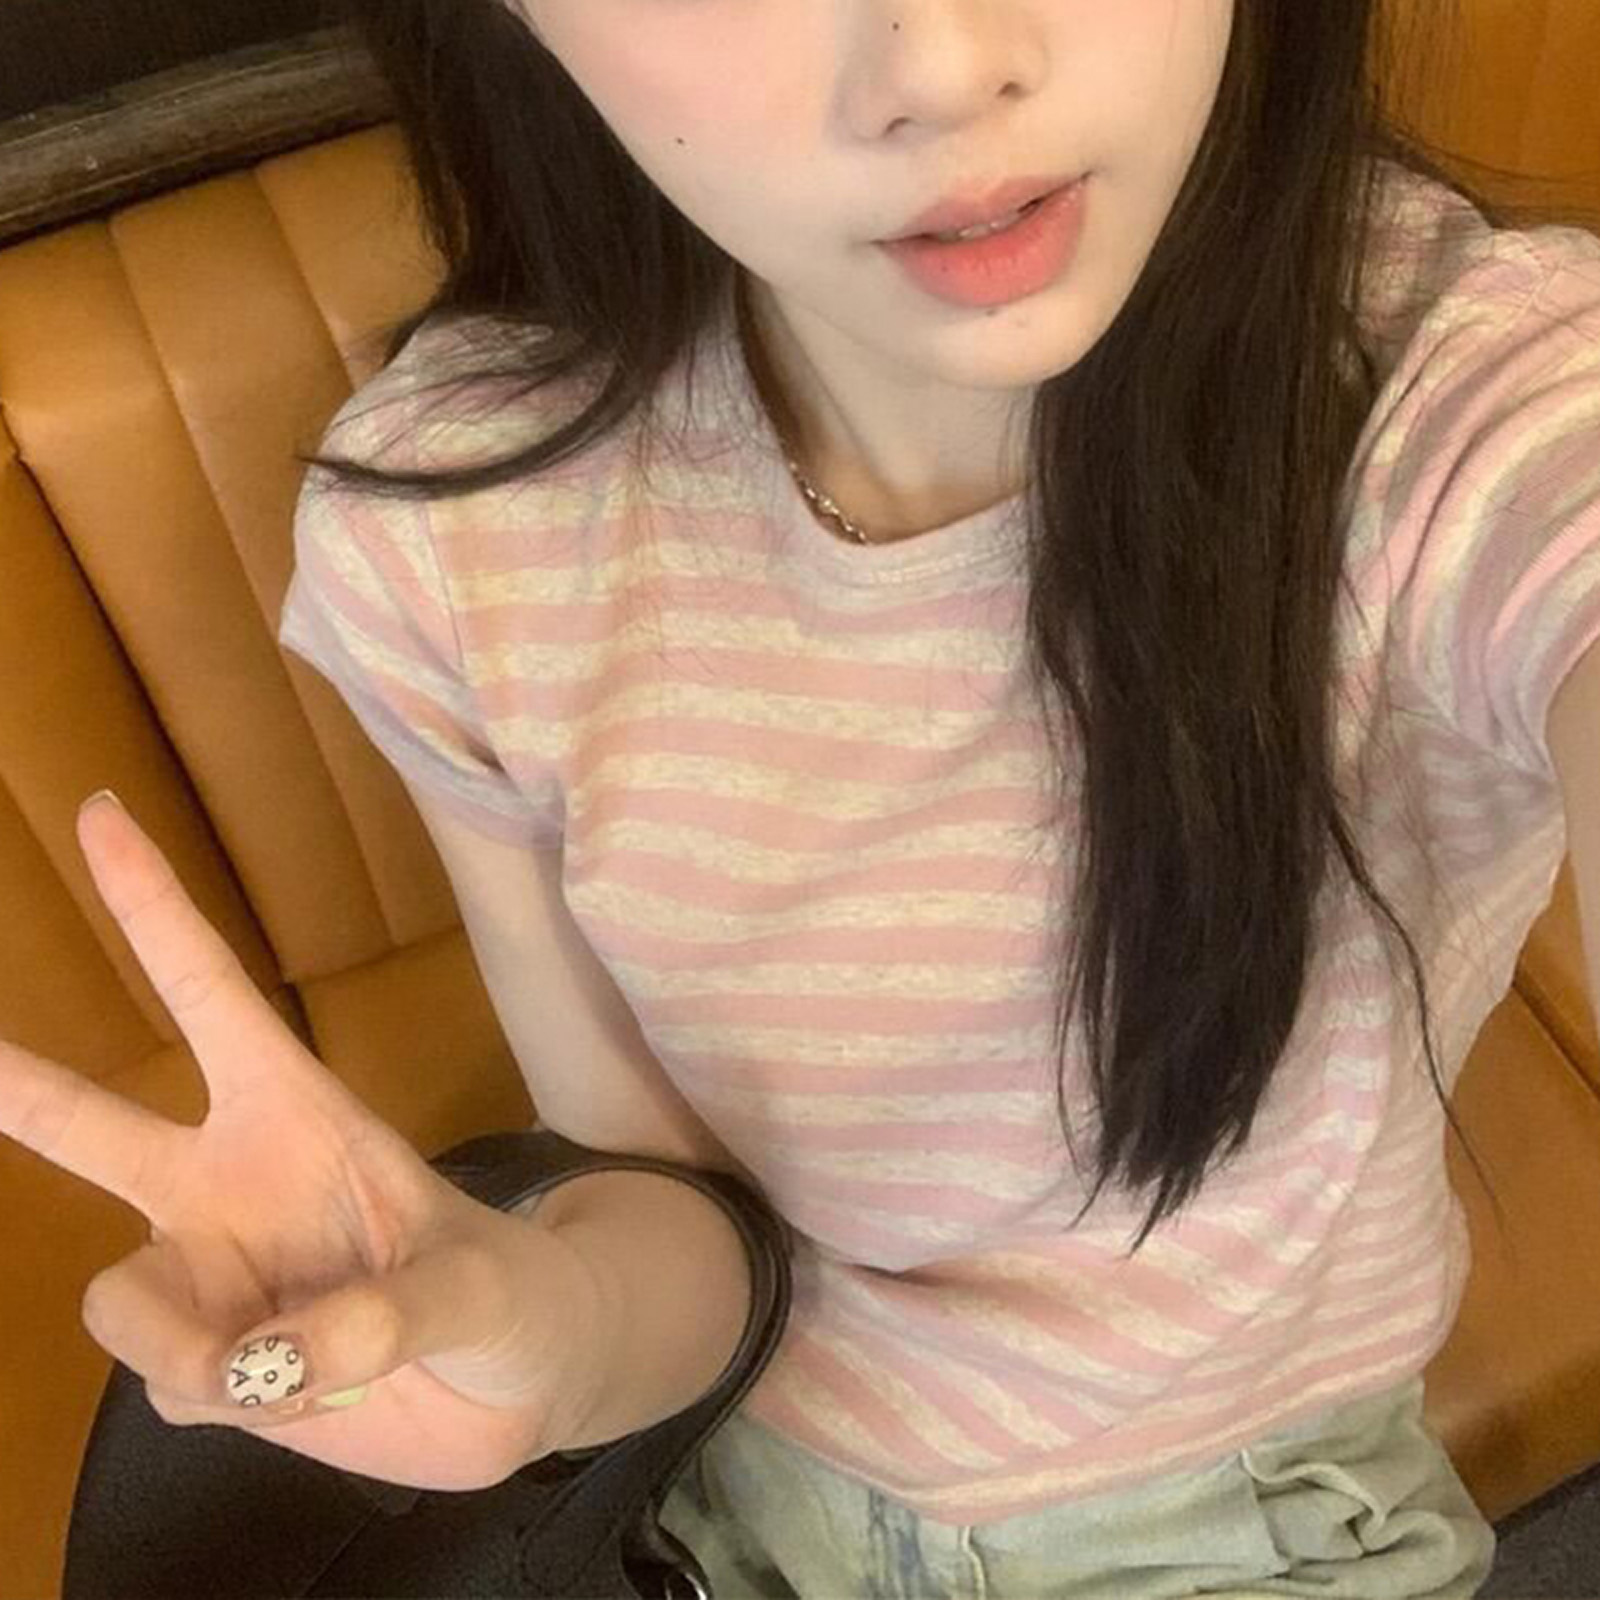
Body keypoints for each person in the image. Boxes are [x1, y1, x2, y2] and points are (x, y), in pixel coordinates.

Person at [7, 0, 1600, 1595]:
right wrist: (535, 1337)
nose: (943, 66)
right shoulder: (456, 532)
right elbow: (678, 1217)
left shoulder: (1464, 406)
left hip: (1236, 1528)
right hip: (719, 1493)